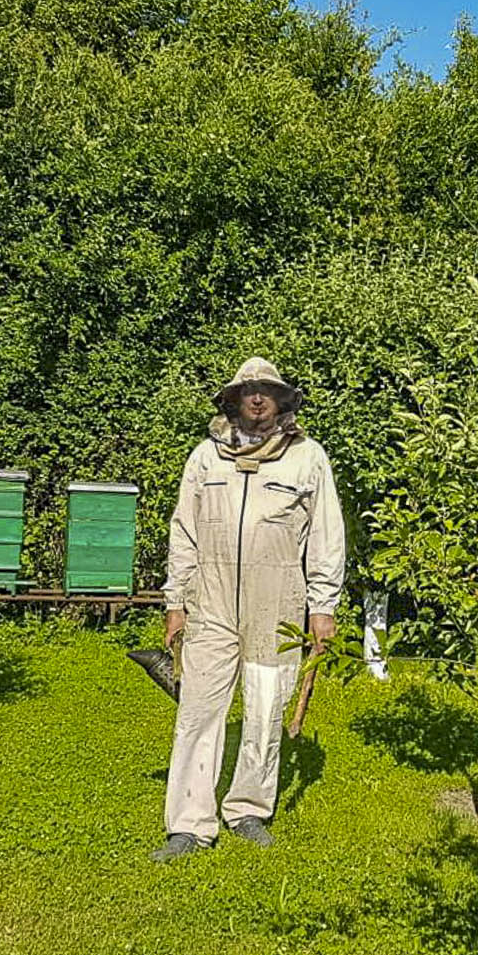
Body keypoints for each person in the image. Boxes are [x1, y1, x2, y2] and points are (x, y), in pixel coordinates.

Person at [154, 358, 346, 861]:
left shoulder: (308, 458)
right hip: (210, 602)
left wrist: (322, 606)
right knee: (198, 711)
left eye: (267, 391)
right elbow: (184, 531)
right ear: (233, 401)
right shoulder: (205, 458)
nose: (257, 398)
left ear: (283, 401)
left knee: (264, 711)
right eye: (248, 391)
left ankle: (247, 810)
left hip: (277, 603)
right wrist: (176, 600)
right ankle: (189, 823)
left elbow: (327, 537)